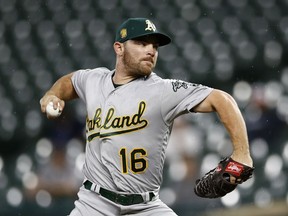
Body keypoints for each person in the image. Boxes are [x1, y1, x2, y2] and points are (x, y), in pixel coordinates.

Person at [40, 18, 253, 216]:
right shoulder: (93, 80)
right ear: (119, 47)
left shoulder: (163, 91)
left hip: (145, 206)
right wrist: (53, 94)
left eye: (155, 46)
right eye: (142, 43)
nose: (151, 50)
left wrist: (241, 153)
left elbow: (222, 99)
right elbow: (70, 81)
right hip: (94, 204)